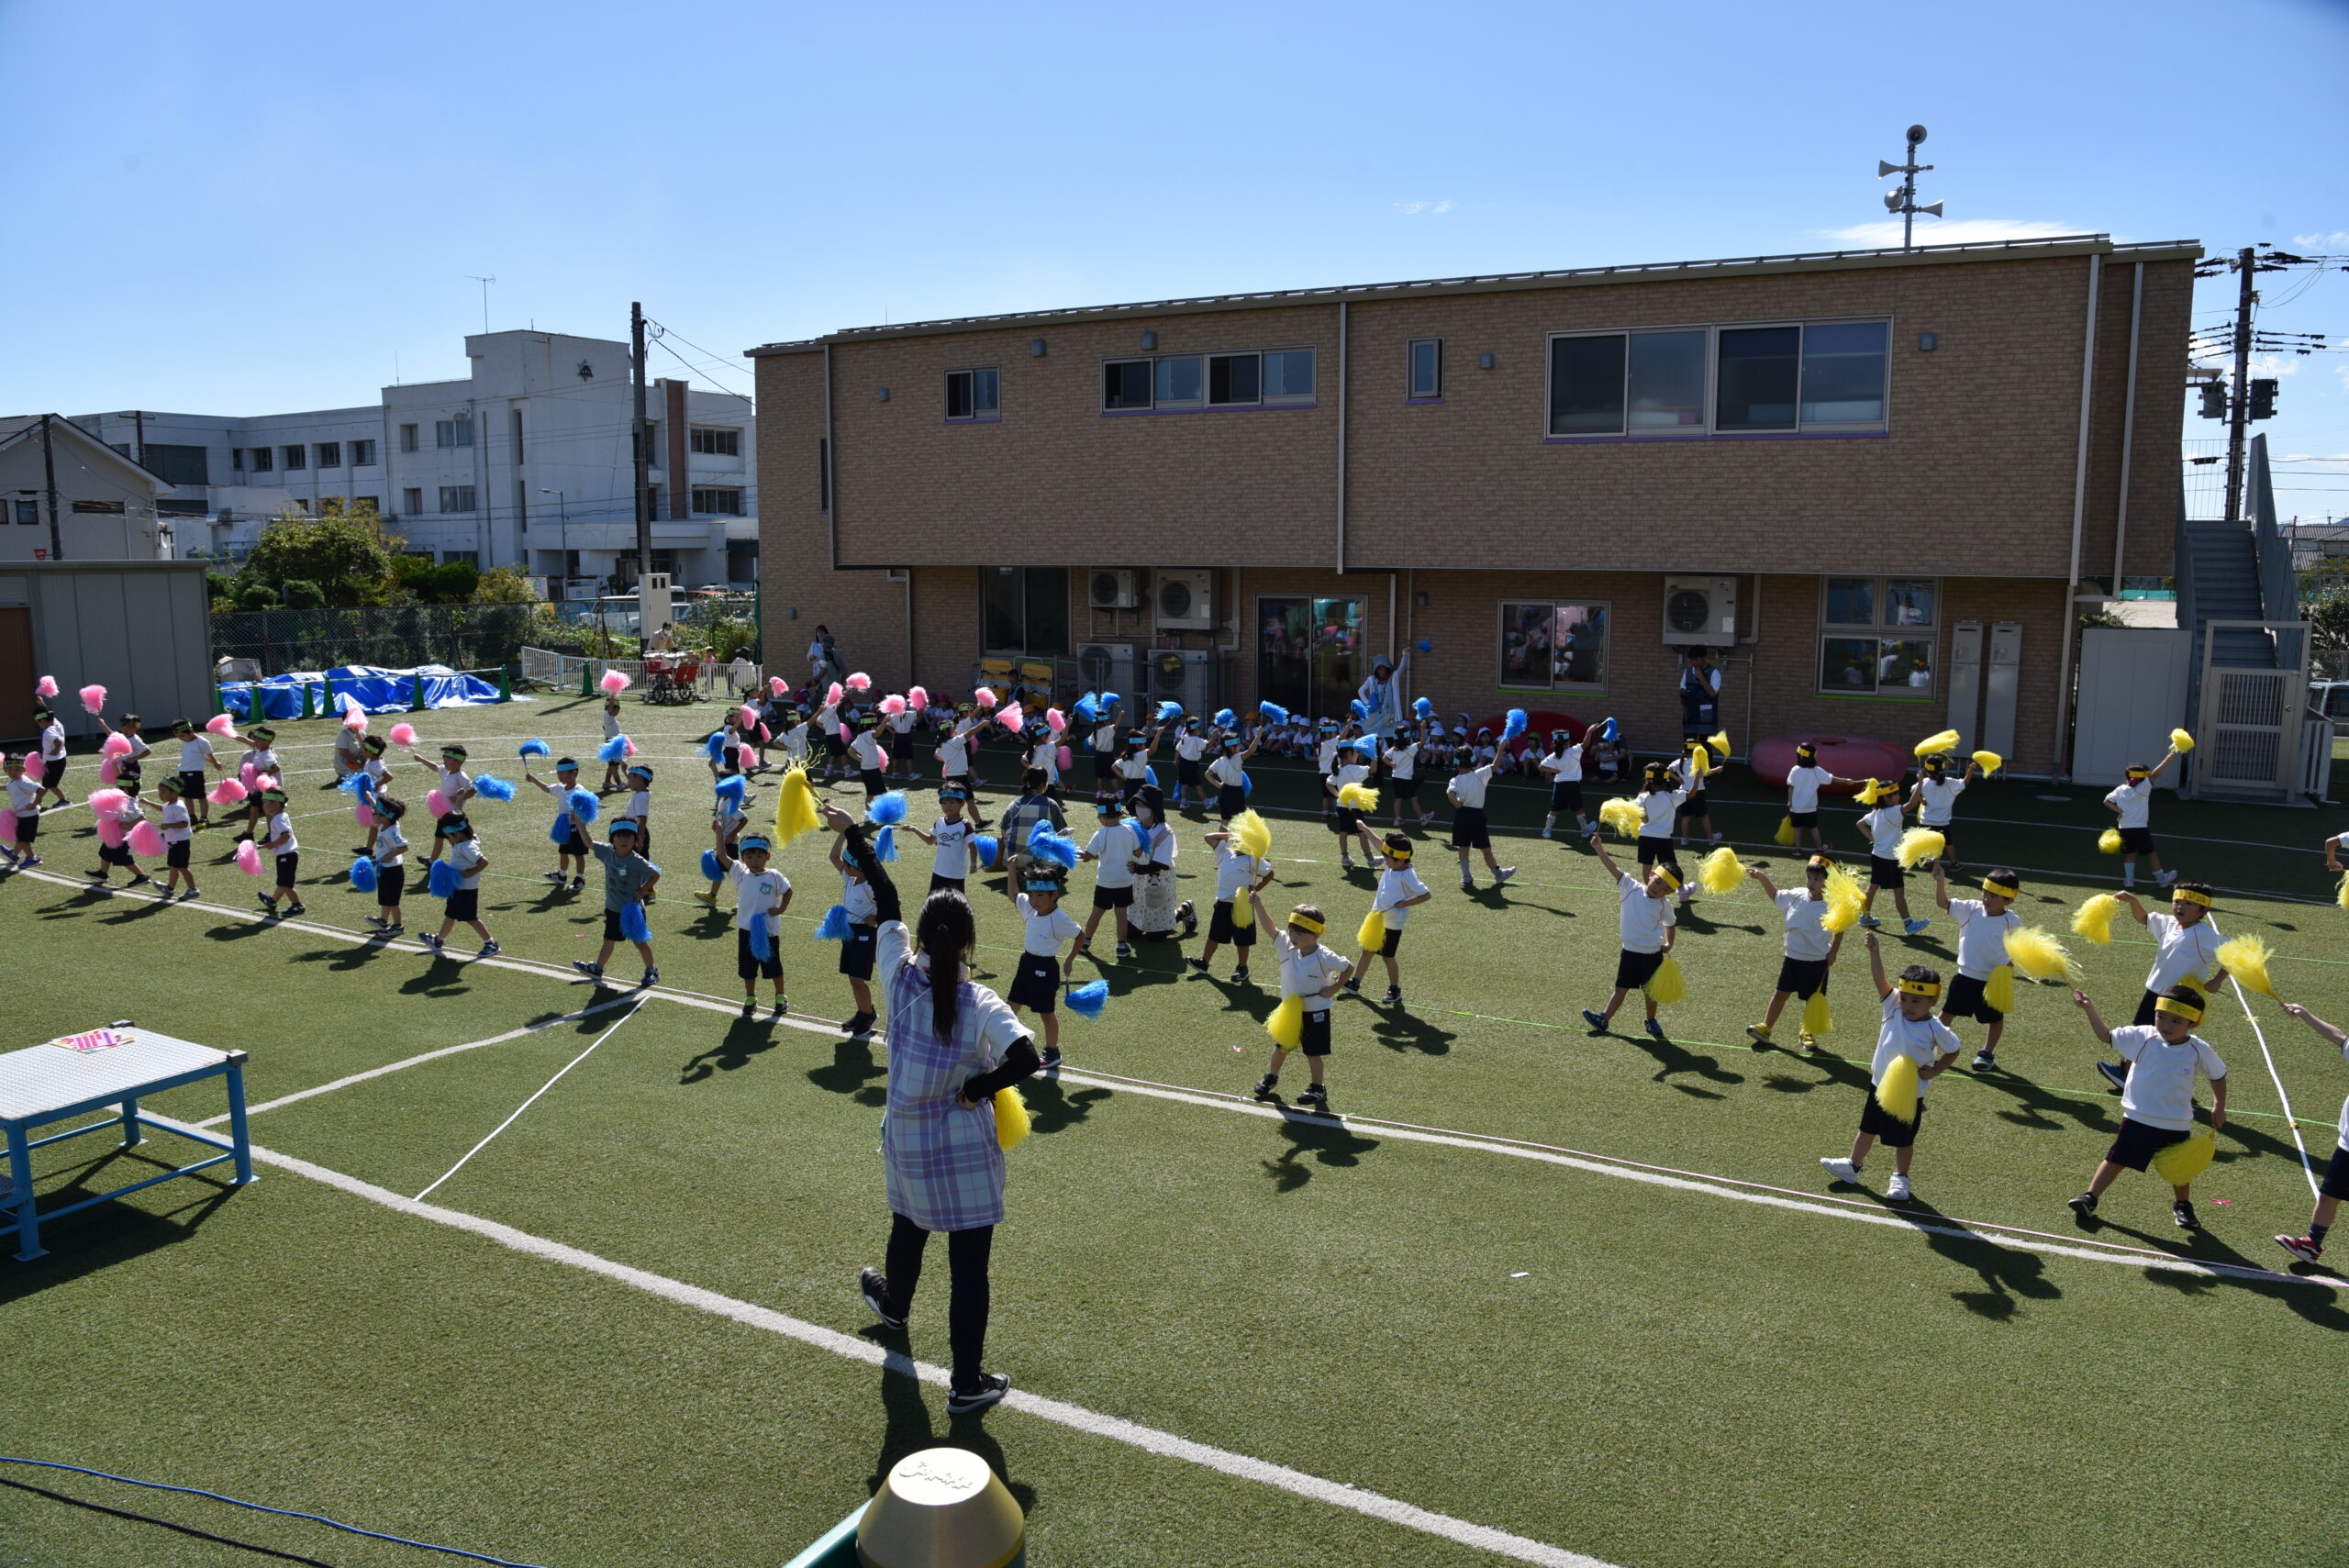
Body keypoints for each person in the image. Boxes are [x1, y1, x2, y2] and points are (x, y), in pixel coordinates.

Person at [843, 801, 1038, 1418]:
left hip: (906, 1139)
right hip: (966, 1151)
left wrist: (853, 832)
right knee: (968, 1269)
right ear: (971, 942)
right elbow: (1028, 1058)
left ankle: (895, 1303)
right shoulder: (981, 999)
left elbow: (889, 896)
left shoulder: (897, 976)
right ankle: (965, 1382)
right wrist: (981, 1089)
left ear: (921, 938)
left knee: (908, 1221)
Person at [2065, 985, 2227, 1230]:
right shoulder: (2143, 1036)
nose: (2166, 1025)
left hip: (2176, 1122)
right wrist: (2089, 1009)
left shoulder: (2198, 1049)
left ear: (2193, 1024)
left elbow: (2218, 1075)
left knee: (2179, 1169)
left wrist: (2219, 1106)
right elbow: (2106, 1036)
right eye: (2161, 1016)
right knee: (2116, 1159)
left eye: (2176, 1020)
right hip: (2137, 1117)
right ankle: (2090, 1197)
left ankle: (2183, 1205)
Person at [1818, 936, 1960, 1203]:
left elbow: (1953, 1050)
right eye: (1905, 998)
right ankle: (1852, 1166)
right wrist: (1875, 952)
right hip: (1879, 1083)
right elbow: (1879, 979)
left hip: (1908, 1093)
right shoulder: (1892, 1006)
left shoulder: (1935, 1027)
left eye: (1916, 1001)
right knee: (1867, 1128)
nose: (1907, 1005)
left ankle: (1901, 1179)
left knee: (1903, 1139)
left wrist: (1934, 1071)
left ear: (1933, 1000)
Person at [2097, 884, 2226, 1091]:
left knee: (2152, 1035)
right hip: (2155, 991)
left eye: (2189, 904)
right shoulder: (2170, 923)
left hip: (2178, 999)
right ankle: (2137, 1074)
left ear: (2203, 911)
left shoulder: (2204, 935)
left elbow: (2236, 955)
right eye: (2177, 901)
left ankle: (2127, 1076)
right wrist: (2134, 902)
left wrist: (2217, 980)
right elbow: (2144, 919)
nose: (2180, 907)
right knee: (2144, 1031)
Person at [1249, 894, 1351, 1112]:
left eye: (1300, 933)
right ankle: (1271, 1077)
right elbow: (1271, 929)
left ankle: (1317, 1087)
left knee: (1313, 1053)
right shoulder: (1286, 946)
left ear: (1315, 935)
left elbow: (1348, 967)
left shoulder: (1325, 956)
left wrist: (1333, 988)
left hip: (1316, 1011)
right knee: (1281, 1046)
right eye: (1292, 931)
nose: (1293, 936)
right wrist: (1258, 904)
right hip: (1290, 1012)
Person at [1580, 831, 1678, 1041]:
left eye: (1664, 888)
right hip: (1630, 952)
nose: (1658, 888)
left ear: (1669, 893)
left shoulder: (1664, 905)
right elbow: (1613, 868)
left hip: (1653, 954)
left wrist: (1669, 943)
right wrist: (1599, 849)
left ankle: (1650, 1020)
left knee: (1651, 992)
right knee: (1620, 988)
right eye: (1658, 881)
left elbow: (1670, 923)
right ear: (1651, 875)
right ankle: (1604, 1019)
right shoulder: (1630, 887)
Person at [2274, 1001, 2349, 1265]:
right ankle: (2311, 1245)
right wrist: (2306, 1015)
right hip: (2347, 1145)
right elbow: (2339, 1038)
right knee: (2329, 1194)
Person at [1743, 855, 1839, 1054]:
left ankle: (1808, 1032)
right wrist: (1762, 877)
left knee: (1813, 1000)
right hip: (1792, 957)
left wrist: (1834, 952)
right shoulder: (1796, 895)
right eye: (1809, 877)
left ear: (1827, 882)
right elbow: (1776, 895)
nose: (1811, 882)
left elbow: (1840, 927)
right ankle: (1766, 1028)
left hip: (1817, 961)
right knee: (1780, 994)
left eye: (1817, 879)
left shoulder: (1831, 904)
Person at [1934, 864, 2021, 1071]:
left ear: (2008, 900)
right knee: (1946, 1014)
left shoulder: (2012, 921)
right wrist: (1940, 881)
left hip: (1992, 982)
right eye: (1985, 893)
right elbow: (1942, 902)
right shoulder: (1970, 909)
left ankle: (1987, 1053)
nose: (1986, 899)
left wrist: (2012, 962)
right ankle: (1929, 1046)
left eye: (1993, 897)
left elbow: (2022, 947)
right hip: (1964, 977)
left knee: (1995, 1019)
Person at [569, 811, 661, 989]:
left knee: (640, 942)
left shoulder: (637, 861)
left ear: (635, 840)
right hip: (612, 908)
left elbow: (655, 874)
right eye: (619, 836)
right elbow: (588, 842)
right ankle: (598, 969)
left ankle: (651, 970)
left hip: (631, 910)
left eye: (628, 836)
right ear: (612, 839)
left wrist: (642, 890)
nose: (623, 840)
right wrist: (580, 822)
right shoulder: (606, 852)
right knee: (609, 939)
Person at [1005, 864, 1082, 1066]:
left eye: (1040, 895)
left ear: (1054, 894)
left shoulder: (1059, 918)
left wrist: (1069, 959)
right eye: (1031, 894)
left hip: (1045, 968)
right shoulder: (1031, 908)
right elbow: (1013, 895)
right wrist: (1011, 871)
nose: (1034, 900)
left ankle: (1052, 1053)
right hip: (1026, 963)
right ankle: (1003, 1044)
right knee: (1011, 1005)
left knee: (1045, 1012)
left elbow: (1080, 935)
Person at [1341, 833, 1431, 1007]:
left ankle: (1395, 989)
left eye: (1387, 857)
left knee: (1388, 957)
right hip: (1377, 919)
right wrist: (1365, 828)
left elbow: (1426, 895)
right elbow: (1379, 844)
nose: (1384, 859)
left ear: (1400, 860)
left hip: (1393, 923)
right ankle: (1355, 983)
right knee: (1367, 950)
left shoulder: (1407, 875)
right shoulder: (1392, 866)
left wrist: (1405, 903)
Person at [1189, 823, 1275, 984]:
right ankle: (1204, 962)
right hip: (1223, 902)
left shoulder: (1253, 858)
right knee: (1214, 935)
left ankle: (1242, 968)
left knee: (1242, 939)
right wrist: (1229, 835)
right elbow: (1208, 837)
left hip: (1242, 905)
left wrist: (1255, 890)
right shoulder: (1223, 850)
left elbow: (1269, 874)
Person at [718, 833, 792, 1018]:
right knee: (748, 968)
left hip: (769, 931)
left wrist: (781, 908)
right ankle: (750, 997)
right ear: (742, 857)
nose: (754, 861)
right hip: (747, 931)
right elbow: (721, 855)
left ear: (768, 856)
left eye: (759, 856)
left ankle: (780, 996)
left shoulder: (774, 876)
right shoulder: (740, 873)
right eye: (749, 856)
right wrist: (719, 833)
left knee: (773, 965)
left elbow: (788, 891)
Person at [1854, 779, 1927, 934]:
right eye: (1896, 795)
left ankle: (1865, 916)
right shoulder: (1894, 812)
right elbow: (1912, 803)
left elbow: (1860, 823)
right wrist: (1920, 782)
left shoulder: (1875, 813)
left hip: (1877, 856)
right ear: (1887, 798)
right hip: (1890, 860)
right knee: (1899, 891)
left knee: (1873, 886)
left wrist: (1873, 839)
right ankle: (1908, 924)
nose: (1899, 797)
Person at [829, 822, 883, 1034]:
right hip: (849, 931)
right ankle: (863, 1011)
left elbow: (893, 904)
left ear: (855, 867)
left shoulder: (872, 886)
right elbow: (834, 856)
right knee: (853, 978)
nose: (843, 867)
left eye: (847, 865)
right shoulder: (849, 879)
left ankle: (869, 1014)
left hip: (865, 934)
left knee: (856, 978)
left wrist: (876, 918)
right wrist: (844, 834)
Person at [420, 816, 499, 959]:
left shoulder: (467, 847)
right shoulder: (465, 841)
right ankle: (438, 940)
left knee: (470, 918)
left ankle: (491, 944)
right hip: (457, 887)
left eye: (449, 836)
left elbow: (484, 862)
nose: (449, 839)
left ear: (457, 834)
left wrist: (471, 872)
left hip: (466, 889)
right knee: (450, 914)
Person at [2104, 749, 2183, 888]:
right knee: (2151, 853)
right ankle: (2161, 878)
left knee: (2130, 854)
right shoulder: (2145, 786)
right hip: (2140, 828)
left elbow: (2106, 801)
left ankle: (2129, 880)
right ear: (2143, 777)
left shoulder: (2120, 789)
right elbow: (2156, 774)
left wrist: (2119, 811)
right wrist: (2168, 760)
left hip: (2124, 828)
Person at [1074, 796, 1141, 961]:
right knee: (1121, 915)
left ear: (1102, 816)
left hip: (1105, 882)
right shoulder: (1130, 830)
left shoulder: (1101, 833)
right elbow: (1138, 852)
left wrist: (1069, 849)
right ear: (1120, 814)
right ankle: (1121, 946)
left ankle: (1085, 942)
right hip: (1125, 881)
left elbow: (1087, 857)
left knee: (1096, 913)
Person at [1445, 749, 1516, 892]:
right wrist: (1501, 748)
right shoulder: (1480, 774)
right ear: (1472, 761)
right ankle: (1498, 874)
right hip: (1477, 817)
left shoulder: (1454, 780)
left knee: (1463, 848)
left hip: (1461, 816)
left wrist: (1459, 804)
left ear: (1456, 763)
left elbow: (1451, 796)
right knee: (1486, 850)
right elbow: (1495, 766)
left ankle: (1466, 876)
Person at [524, 757, 590, 890]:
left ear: (574, 773)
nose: (560, 776)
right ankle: (562, 875)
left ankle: (580, 878)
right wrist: (533, 779)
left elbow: (587, 808)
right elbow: (548, 788)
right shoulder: (561, 788)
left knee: (578, 854)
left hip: (577, 828)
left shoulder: (579, 791)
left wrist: (578, 816)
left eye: (563, 774)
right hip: (564, 828)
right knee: (563, 851)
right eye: (558, 774)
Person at [1632, 762, 1691, 909]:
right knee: (1671, 865)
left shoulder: (1642, 797)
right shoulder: (1673, 796)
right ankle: (1682, 890)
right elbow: (1692, 793)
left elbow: (1643, 818)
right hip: (1664, 838)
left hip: (1645, 836)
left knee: (1647, 864)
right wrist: (1697, 776)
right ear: (1665, 778)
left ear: (1648, 780)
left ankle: (1649, 891)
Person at [996, 768, 1065, 889]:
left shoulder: (1014, 804)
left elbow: (1003, 831)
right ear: (1043, 784)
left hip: (1014, 858)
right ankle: (1035, 870)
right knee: (1062, 867)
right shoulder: (1051, 804)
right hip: (1041, 859)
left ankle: (1020, 871)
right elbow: (1061, 833)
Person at [86, 764, 152, 889]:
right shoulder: (127, 796)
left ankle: (141, 876)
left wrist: (128, 824)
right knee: (105, 852)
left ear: (125, 790)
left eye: (119, 787)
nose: (116, 789)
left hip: (124, 836)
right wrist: (115, 765)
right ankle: (102, 873)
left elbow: (142, 818)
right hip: (115, 833)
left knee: (123, 858)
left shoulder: (131, 804)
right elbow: (120, 778)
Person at [1907, 754, 1977, 869]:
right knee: (1948, 843)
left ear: (1927, 770)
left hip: (1926, 820)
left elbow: (1912, 790)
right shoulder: (1950, 783)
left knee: (1925, 843)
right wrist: (1971, 770)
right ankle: (1954, 864)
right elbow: (1964, 783)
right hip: (1943, 822)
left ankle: (1925, 862)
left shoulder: (1923, 783)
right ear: (1943, 768)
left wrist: (1922, 800)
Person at [410, 742, 476, 864]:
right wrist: (421, 759)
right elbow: (435, 767)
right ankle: (432, 860)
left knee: (455, 841)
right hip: (443, 814)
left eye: (448, 759)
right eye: (444, 759)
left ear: (458, 762)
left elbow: (472, 791)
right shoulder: (447, 772)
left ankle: (462, 861)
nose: (444, 762)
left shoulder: (461, 776)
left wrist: (458, 798)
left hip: (453, 816)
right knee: (439, 837)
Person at [906, 784, 977, 895]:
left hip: (956, 874)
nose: (947, 806)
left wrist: (973, 863)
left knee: (955, 905)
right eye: (944, 803)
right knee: (933, 904)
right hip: (938, 871)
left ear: (962, 803)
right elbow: (931, 841)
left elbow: (972, 845)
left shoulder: (965, 825)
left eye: (952, 803)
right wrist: (914, 829)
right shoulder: (939, 822)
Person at [1781, 741, 1846, 855]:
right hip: (1810, 807)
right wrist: (1846, 781)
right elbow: (1832, 779)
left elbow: (1791, 787)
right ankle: (1820, 848)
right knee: (1813, 828)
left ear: (1800, 755)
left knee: (1797, 828)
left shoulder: (1795, 770)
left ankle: (1797, 849)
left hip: (1796, 807)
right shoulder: (1817, 770)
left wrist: (1790, 801)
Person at [254, 785, 305, 918]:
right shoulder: (281, 816)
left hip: (286, 855)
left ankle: (297, 905)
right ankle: (272, 901)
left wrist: (271, 845)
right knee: (283, 882)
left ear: (275, 803)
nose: (263, 805)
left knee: (286, 884)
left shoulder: (278, 818)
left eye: (265, 802)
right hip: (286, 855)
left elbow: (285, 835)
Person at [363, 796, 411, 936]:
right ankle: (383, 921)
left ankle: (398, 926)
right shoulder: (384, 824)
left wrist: (387, 857)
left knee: (393, 901)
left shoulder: (391, 832)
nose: (373, 813)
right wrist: (370, 798)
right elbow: (378, 809)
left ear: (384, 817)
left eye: (375, 812)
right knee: (385, 898)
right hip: (385, 869)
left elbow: (404, 847)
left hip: (393, 870)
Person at [150, 775, 198, 902]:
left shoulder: (178, 806)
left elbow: (184, 823)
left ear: (175, 793)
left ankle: (193, 890)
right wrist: (147, 802)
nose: (161, 795)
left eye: (164, 792)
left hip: (180, 842)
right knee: (173, 866)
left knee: (182, 867)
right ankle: (170, 888)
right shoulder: (169, 804)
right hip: (173, 841)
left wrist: (168, 826)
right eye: (160, 791)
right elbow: (162, 808)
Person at [1326, 739, 1372, 871]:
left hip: (1341, 806)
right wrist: (1374, 757)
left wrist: (1338, 795)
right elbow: (1373, 770)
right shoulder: (1356, 769)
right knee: (1362, 832)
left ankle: (1345, 858)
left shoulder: (1338, 769)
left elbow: (1329, 784)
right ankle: (1370, 859)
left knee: (1343, 831)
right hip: (1355, 807)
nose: (1358, 755)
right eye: (1356, 752)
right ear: (1349, 754)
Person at [1537, 728, 1590, 840]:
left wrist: (1555, 771)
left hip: (1559, 786)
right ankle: (1585, 831)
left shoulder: (1554, 755)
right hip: (1572, 786)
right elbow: (1586, 743)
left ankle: (1546, 831)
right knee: (1578, 809)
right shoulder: (1574, 751)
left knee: (1555, 809)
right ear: (1568, 741)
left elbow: (1541, 767)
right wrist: (1589, 730)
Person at [168, 719, 221, 830]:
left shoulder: (202, 742)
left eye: (182, 736)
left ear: (191, 732)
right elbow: (200, 755)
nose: (181, 739)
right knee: (187, 797)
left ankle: (204, 818)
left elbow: (208, 755)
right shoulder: (186, 742)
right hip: (183, 772)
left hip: (196, 773)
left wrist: (216, 763)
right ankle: (192, 817)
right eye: (179, 737)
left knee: (201, 797)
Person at [1668, 739, 1720, 849]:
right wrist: (1718, 769)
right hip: (1698, 792)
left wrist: (1678, 779)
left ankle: (1684, 839)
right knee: (1704, 816)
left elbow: (1668, 770)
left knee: (1686, 816)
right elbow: (1706, 772)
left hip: (1683, 792)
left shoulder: (1679, 761)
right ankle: (1711, 839)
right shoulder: (1698, 761)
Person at [1385, 723, 1432, 830]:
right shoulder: (1411, 748)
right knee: (1414, 798)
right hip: (1406, 780)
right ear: (1407, 738)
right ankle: (1422, 818)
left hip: (1395, 779)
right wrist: (1422, 728)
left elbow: (1384, 758)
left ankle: (1397, 819)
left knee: (1398, 798)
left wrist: (1391, 764)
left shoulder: (1393, 750)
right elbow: (1422, 742)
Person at [5, 752, 45, 867]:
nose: (13, 773)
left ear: (23, 769)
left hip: (29, 816)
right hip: (22, 815)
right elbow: (8, 787)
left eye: (17, 770)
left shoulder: (23, 781)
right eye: (10, 770)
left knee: (23, 839)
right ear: (5, 770)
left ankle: (33, 859)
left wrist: (34, 803)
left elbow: (41, 789)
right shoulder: (14, 781)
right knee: (21, 837)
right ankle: (13, 854)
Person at [1208, 731, 1257, 825]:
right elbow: (1250, 751)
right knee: (1240, 822)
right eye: (1238, 745)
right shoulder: (1237, 758)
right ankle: (1236, 839)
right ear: (1231, 748)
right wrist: (1258, 735)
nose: (1240, 747)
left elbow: (1207, 774)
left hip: (1224, 794)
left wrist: (1219, 785)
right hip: (1236, 795)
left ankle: (1222, 840)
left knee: (1225, 822)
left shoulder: (1218, 761)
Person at [1677, 648, 1721, 744]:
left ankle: (1705, 760)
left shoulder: (1714, 673)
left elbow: (1713, 693)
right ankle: (1690, 760)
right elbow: (1682, 688)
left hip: (1705, 714)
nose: (1694, 662)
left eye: (1696, 660)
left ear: (1704, 658)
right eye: (1692, 660)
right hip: (1690, 714)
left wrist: (1701, 678)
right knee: (1689, 745)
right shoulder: (1688, 672)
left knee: (1704, 745)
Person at [33, 706, 70, 809]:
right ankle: (38, 800)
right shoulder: (57, 724)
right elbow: (50, 715)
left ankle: (64, 800)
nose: (38, 725)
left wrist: (56, 750)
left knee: (50, 784)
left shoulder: (48, 732)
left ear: (43, 721)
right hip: (59, 760)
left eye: (38, 722)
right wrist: (42, 705)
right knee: (46, 783)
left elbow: (59, 741)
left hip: (54, 762)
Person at [1171, 717, 1208, 812]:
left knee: (1184, 784)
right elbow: (1206, 746)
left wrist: (1176, 760)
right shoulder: (1196, 739)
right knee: (1197, 784)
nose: (1200, 729)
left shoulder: (1184, 738)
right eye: (1199, 728)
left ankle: (1183, 803)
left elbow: (1177, 749)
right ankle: (1206, 802)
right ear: (1196, 729)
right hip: (1192, 765)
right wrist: (1212, 737)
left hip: (1182, 764)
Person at [599, 697, 629, 793]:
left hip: (613, 742)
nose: (617, 712)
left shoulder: (610, 718)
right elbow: (610, 706)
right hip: (611, 743)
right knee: (614, 766)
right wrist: (612, 694)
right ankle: (619, 784)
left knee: (612, 765)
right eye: (617, 710)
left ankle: (607, 782)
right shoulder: (608, 715)